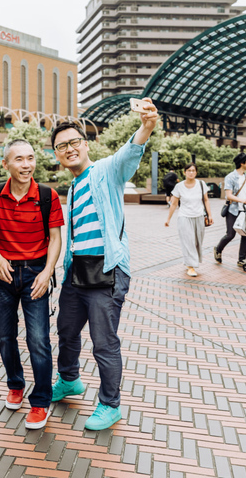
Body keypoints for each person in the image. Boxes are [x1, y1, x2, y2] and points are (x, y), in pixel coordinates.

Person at [50, 99, 159, 431]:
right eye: (60, 146)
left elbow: (129, 153)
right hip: (77, 272)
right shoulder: (73, 184)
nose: (68, 149)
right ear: (56, 154)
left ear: (85, 144)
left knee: (104, 341)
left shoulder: (106, 170)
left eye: (73, 142)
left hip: (107, 270)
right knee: (66, 331)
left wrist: (147, 125)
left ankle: (110, 404)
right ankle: (69, 380)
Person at [0, 139, 63, 430]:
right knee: (5, 337)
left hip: (35, 273)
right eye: (19, 159)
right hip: (2, 274)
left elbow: (55, 239)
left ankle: (41, 402)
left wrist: (47, 271)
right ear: (5, 164)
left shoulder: (47, 195)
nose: (26, 165)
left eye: (30, 158)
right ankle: (15, 384)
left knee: (38, 340)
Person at [165, 163, 213, 277]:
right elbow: (174, 204)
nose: (191, 173)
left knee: (197, 242)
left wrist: (210, 215)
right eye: (189, 170)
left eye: (193, 171)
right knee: (188, 241)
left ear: (196, 172)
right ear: (184, 172)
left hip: (199, 216)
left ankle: (189, 262)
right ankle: (191, 267)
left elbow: (206, 200)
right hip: (184, 217)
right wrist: (168, 219)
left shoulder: (201, 184)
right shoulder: (179, 186)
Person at [214, 153, 246, 268]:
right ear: (242, 163)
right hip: (233, 210)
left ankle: (241, 259)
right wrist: (242, 200)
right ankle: (218, 249)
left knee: (245, 235)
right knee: (230, 234)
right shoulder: (230, 177)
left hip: (245, 210)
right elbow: (229, 196)